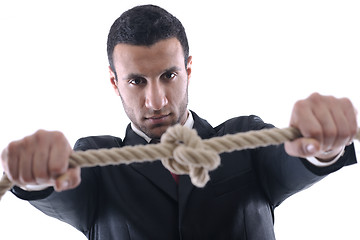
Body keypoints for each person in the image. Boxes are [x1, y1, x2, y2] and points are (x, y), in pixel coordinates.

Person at [0, 4, 358, 240]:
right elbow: (61, 191)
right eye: (137, 81)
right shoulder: (97, 161)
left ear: (188, 70)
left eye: (168, 75)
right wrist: (37, 176)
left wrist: (321, 145)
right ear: (115, 83)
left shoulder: (245, 137)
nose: (156, 101)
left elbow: (292, 161)